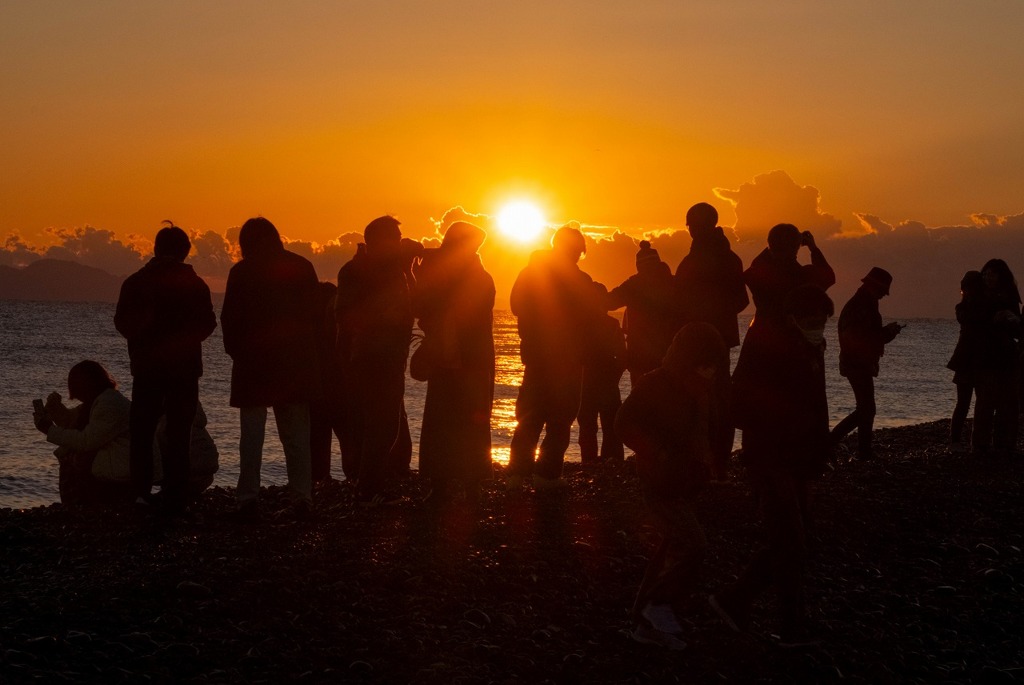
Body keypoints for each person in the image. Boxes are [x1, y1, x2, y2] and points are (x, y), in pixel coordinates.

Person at [711, 285, 834, 649]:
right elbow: (737, 405)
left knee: (797, 539)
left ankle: (737, 600)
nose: (819, 328)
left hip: (800, 458)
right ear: (793, 318)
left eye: (823, 323)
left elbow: (817, 405)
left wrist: (818, 452)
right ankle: (787, 624)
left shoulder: (811, 349)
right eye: (814, 322)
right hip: (770, 458)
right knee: (791, 540)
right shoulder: (766, 350)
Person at [616, 323, 727, 650]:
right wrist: (658, 453)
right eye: (704, 362)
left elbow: (705, 432)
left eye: (714, 364)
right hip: (660, 480)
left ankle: (645, 616)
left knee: (671, 546)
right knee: (693, 545)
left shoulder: (702, 389)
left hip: (686, 481)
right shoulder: (658, 383)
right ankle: (656, 609)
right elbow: (623, 423)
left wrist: (712, 468)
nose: (709, 370)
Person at [114, 222, 217, 515]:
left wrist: (144, 338)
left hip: (147, 366)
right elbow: (208, 323)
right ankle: (176, 491)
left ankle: (140, 492)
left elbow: (123, 322)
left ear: (156, 249)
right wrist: (183, 342)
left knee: (143, 429)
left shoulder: (136, 282)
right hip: (184, 367)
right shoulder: (195, 284)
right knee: (179, 430)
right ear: (184, 251)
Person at [221, 217, 320, 518]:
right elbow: (316, 317)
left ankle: (247, 498)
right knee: (296, 436)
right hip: (293, 363)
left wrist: (237, 352)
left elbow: (230, 319)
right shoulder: (301, 267)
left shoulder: (242, 271)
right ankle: (302, 496)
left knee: (251, 435)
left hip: (253, 363)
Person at [33, 360, 219, 506]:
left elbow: (86, 440)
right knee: (74, 449)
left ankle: (86, 500)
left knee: (76, 452)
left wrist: (49, 430)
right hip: (129, 465)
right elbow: (74, 421)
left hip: (123, 468)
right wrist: (55, 413)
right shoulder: (102, 400)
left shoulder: (108, 404)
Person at [508, 224, 601, 492]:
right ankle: (547, 476)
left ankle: (516, 474)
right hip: (568, 360)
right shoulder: (580, 281)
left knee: (529, 416)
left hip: (536, 356)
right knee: (560, 419)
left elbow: (515, 306)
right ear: (577, 251)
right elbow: (591, 317)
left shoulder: (529, 272)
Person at [412, 221, 496, 506]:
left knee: (454, 422)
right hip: (459, 358)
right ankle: (453, 484)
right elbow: (424, 305)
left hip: (465, 359)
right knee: (452, 422)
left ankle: (460, 484)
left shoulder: (476, 278)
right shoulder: (476, 275)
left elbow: (429, 305)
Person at [335, 216, 416, 506]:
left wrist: (408, 269)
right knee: (379, 425)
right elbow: (346, 315)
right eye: (392, 238)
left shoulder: (393, 270)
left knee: (383, 425)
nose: (397, 243)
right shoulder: (358, 270)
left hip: (387, 357)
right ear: (377, 241)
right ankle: (368, 488)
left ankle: (368, 484)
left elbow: (413, 304)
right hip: (368, 357)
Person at [675, 203, 749, 479]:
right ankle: (715, 464)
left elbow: (740, 300)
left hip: (705, 342)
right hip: (712, 339)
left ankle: (711, 464)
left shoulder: (705, 260)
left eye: (692, 225)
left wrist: (707, 318)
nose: (690, 230)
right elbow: (741, 300)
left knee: (706, 402)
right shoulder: (728, 258)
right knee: (713, 401)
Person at [829, 267, 903, 461]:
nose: (882, 296)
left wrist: (886, 334)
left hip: (856, 362)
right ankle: (835, 443)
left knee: (866, 407)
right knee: (866, 408)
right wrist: (887, 333)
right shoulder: (861, 306)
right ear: (874, 287)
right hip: (857, 363)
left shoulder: (863, 303)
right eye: (881, 291)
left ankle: (861, 450)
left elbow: (868, 336)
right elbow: (864, 338)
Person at [607, 240, 680, 386]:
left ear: (639, 266)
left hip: (640, 355)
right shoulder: (674, 282)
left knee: (642, 397)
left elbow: (609, 302)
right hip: (669, 351)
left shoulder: (634, 284)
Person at [971, 259, 1022, 457]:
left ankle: (1005, 443)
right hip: (987, 357)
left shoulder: (1010, 298)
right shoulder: (978, 297)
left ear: (1001, 276)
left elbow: (1018, 328)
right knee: (985, 401)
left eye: (991, 274)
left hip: (1007, 356)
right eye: (985, 274)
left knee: (1008, 402)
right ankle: (980, 444)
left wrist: (1010, 317)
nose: (987, 277)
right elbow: (974, 323)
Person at [577, 282, 626, 465]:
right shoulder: (611, 324)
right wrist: (614, 376)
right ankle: (611, 461)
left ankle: (589, 461)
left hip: (588, 379)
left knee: (589, 425)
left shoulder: (581, 325)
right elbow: (622, 356)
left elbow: (575, 354)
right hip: (606, 380)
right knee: (609, 426)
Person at [946, 271, 985, 452]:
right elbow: (967, 318)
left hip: (981, 360)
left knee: (982, 403)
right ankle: (955, 441)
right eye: (965, 290)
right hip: (966, 362)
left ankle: (975, 442)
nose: (967, 293)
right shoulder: (963, 309)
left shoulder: (984, 307)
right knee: (964, 403)